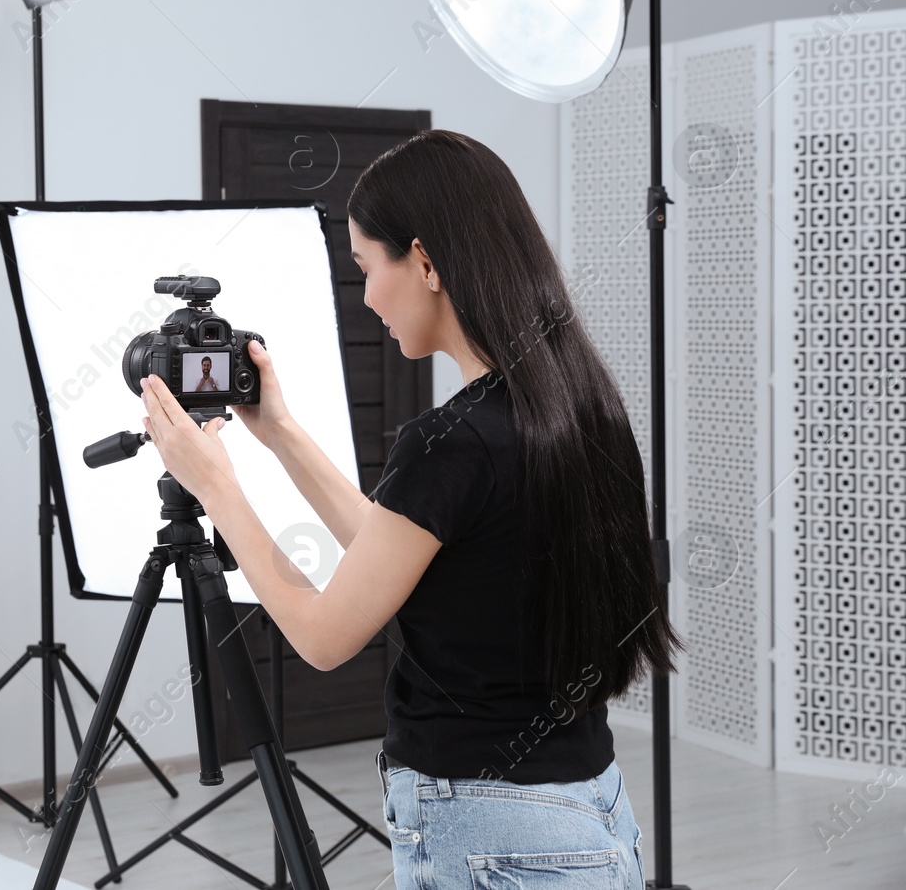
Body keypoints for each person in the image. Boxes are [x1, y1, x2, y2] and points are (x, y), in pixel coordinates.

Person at [138, 130, 677, 890]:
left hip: (488, 826)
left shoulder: (447, 441)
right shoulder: (583, 409)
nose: (366, 298)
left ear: (424, 262)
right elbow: (406, 560)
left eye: (366, 268)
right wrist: (281, 433)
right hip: (589, 808)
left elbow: (326, 635)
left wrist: (218, 487)